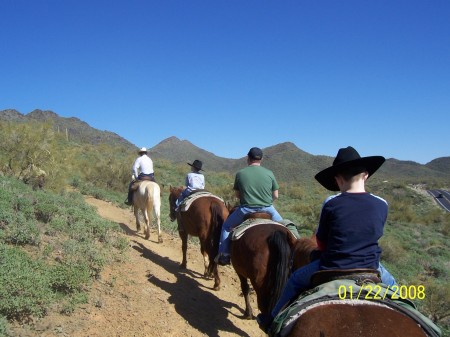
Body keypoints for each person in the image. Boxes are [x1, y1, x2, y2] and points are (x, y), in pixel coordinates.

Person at [257, 146, 397, 332]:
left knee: (295, 280)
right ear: (365, 175)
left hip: (332, 265)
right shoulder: (382, 204)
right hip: (371, 266)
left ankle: (271, 319)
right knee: (397, 289)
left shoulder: (331, 203)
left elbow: (321, 242)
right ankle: (421, 319)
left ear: (338, 180)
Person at [216, 147, 282, 266]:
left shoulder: (241, 173)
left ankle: (224, 254)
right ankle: (294, 255)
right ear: (261, 159)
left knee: (226, 226)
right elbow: (276, 195)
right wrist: (265, 202)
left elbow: (237, 195)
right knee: (286, 227)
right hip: (268, 209)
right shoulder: (269, 173)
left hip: (246, 209)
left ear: (248, 158)